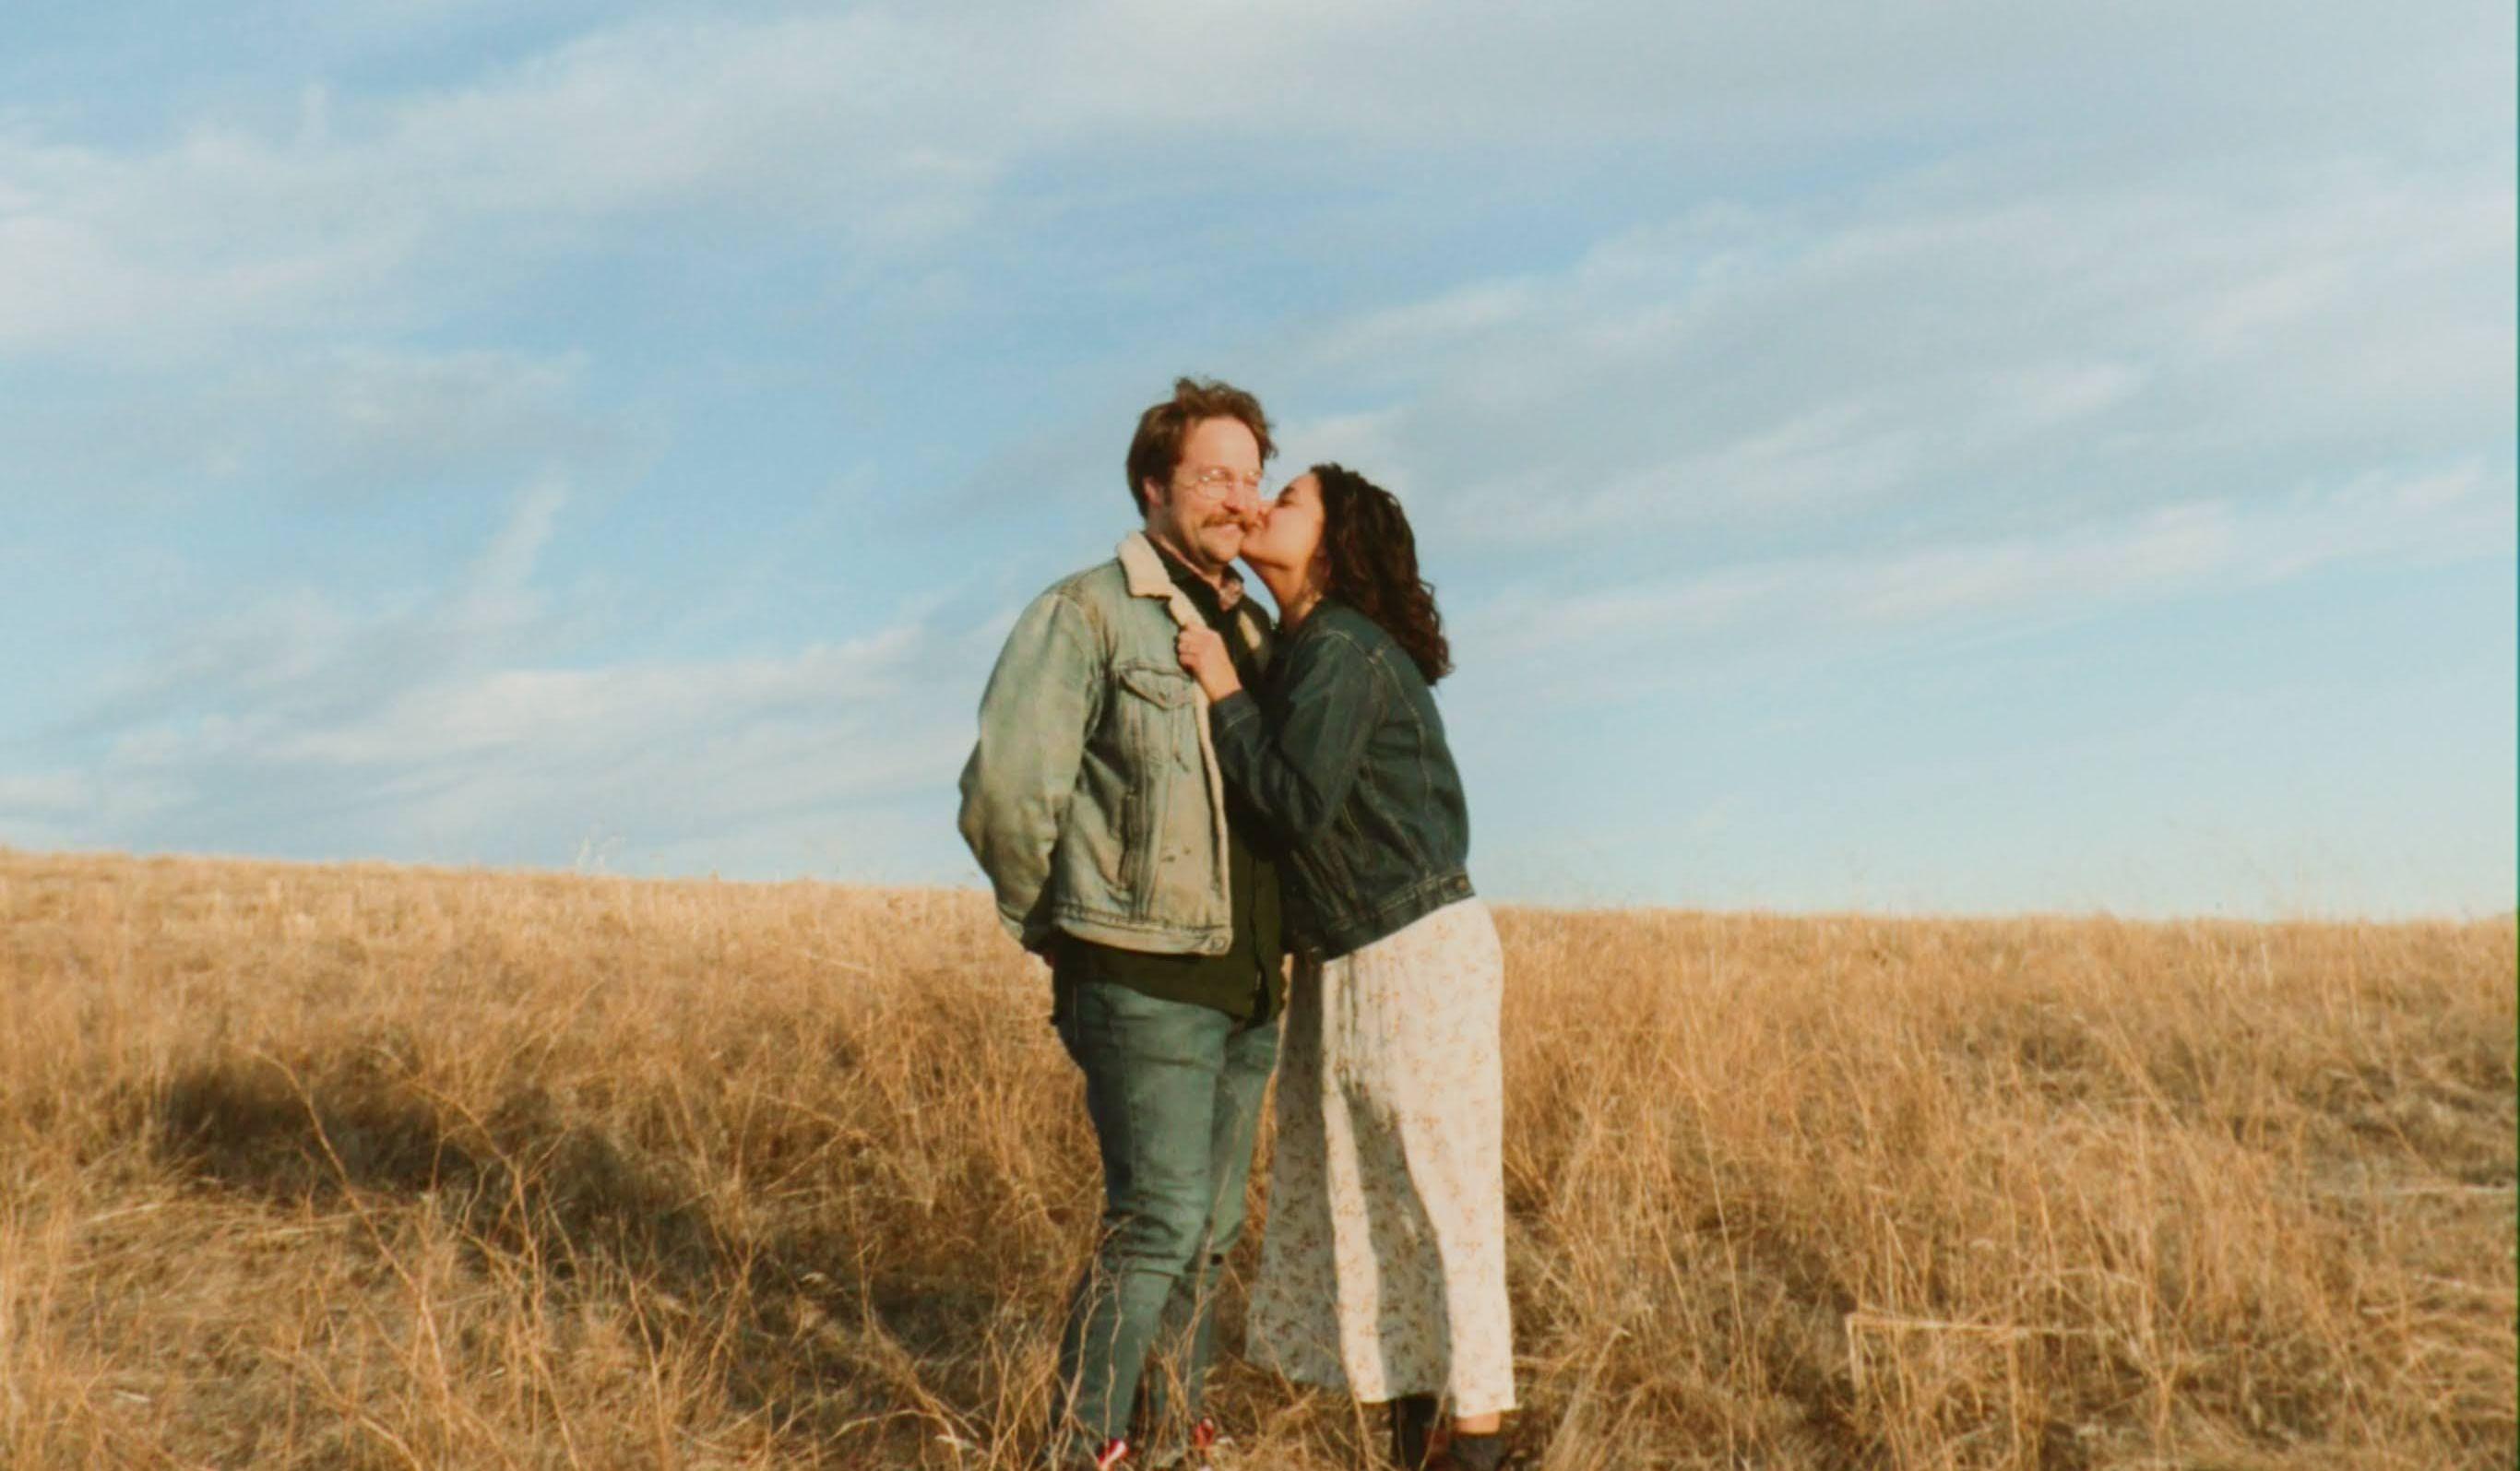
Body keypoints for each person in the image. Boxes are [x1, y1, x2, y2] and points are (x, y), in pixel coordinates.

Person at [957, 377, 1289, 1471]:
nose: (1236, 497)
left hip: (1247, 982)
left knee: (1210, 1233)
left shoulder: (1254, 628)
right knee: (1155, 1223)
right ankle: (1078, 1444)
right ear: (1152, 486)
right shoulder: (1087, 612)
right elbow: (1006, 791)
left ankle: (1172, 1436)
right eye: (1211, 475)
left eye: (1250, 477)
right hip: (1141, 977)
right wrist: (1063, 931)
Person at [1175, 465, 1516, 1471]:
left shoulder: (1344, 647)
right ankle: (1424, 1441)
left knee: (1441, 1202)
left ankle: (1476, 1444)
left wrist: (1223, 686)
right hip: (1354, 957)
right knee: (1378, 1203)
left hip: (1410, 952)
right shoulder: (1305, 648)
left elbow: (1292, 800)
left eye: (1286, 500)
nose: (1258, 505)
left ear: (1330, 542)